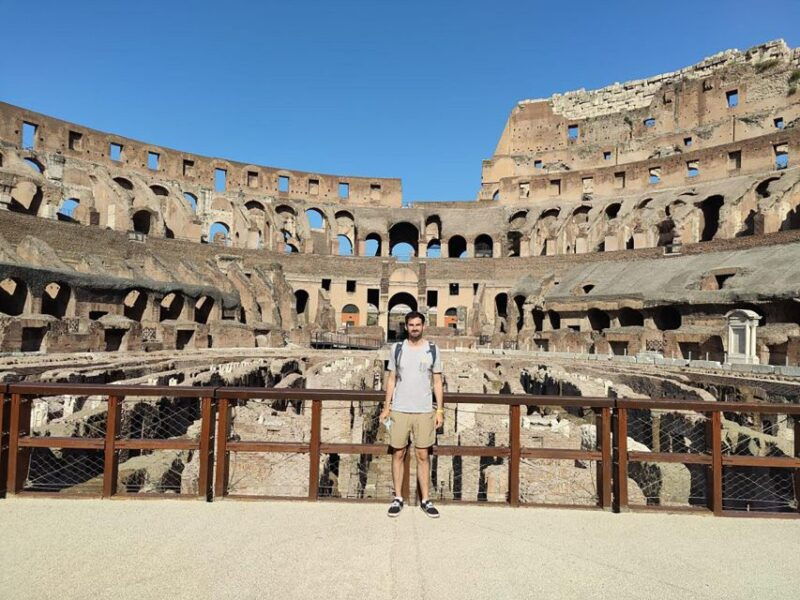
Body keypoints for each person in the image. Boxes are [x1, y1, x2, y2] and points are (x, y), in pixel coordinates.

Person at [379, 311, 443, 518]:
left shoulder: (433, 349)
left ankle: (426, 499)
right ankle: (398, 497)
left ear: (424, 326)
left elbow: (437, 382)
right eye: (411, 325)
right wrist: (386, 406)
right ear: (406, 327)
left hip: (424, 410)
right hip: (400, 408)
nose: (414, 328)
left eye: (418, 324)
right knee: (398, 453)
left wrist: (439, 409)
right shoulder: (397, 348)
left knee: (423, 455)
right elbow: (391, 380)